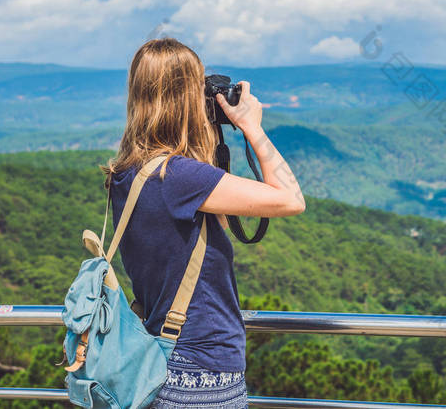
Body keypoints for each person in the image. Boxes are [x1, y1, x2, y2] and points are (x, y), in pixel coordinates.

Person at [103, 38, 305, 408]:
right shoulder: (180, 178)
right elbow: (291, 199)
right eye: (198, 87)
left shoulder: (127, 173)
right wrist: (251, 128)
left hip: (156, 364)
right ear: (184, 98)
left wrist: (207, 140)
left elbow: (211, 230)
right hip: (201, 373)